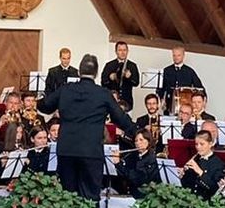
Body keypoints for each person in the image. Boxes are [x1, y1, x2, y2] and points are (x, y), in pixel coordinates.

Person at [38, 54, 136, 202]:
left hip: (67, 150)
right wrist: (136, 131)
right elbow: (121, 119)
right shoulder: (103, 94)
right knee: (90, 197)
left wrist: (38, 100)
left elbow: (45, 106)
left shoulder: (65, 90)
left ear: (79, 72)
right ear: (96, 73)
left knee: (67, 197)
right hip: (91, 152)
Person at [113, 130, 160, 198]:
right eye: (136, 141)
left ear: (148, 141)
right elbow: (124, 175)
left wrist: (118, 164)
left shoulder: (151, 159)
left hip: (145, 195)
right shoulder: (131, 156)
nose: (138, 143)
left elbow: (136, 178)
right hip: (131, 192)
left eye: (141, 140)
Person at [180, 130, 224, 201]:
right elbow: (187, 185)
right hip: (189, 199)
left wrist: (200, 172)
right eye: (196, 144)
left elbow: (215, 189)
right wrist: (182, 175)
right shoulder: (195, 159)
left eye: (202, 144)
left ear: (210, 144)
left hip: (205, 201)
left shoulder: (218, 163)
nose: (198, 147)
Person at [158, 46, 203, 114]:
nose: (176, 57)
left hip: (185, 105)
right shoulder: (166, 70)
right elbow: (160, 88)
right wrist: (161, 99)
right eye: (174, 55)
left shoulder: (189, 71)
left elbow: (199, 88)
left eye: (178, 55)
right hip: (169, 104)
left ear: (183, 56)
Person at [100, 41, 140, 111]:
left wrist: (130, 77)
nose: (123, 52)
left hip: (127, 102)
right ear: (116, 52)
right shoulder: (109, 65)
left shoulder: (132, 65)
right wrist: (110, 78)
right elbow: (103, 83)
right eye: (120, 50)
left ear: (127, 51)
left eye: (124, 50)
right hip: (112, 101)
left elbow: (136, 83)